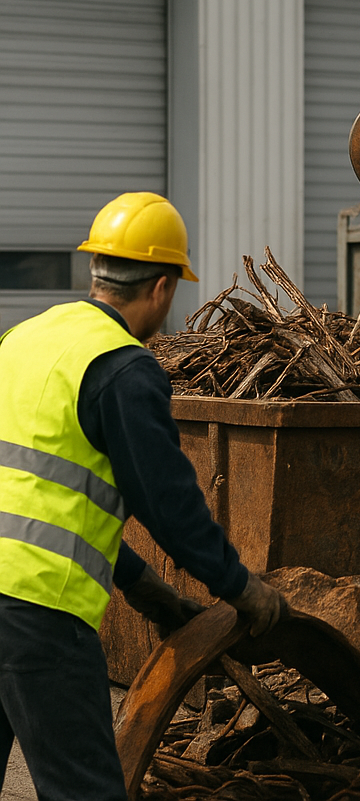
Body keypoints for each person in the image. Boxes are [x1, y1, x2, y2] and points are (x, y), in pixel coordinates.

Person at [0, 191, 285, 800]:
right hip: (37, 616)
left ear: (97, 269)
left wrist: (140, 585)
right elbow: (168, 504)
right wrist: (239, 586)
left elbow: (39, 499)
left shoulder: (21, 339)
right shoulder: (123, 369)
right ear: (161, 286)